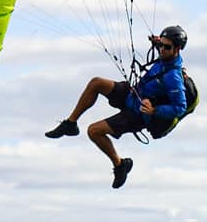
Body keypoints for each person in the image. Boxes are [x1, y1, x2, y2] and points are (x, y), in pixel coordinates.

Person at [45, 26, 189, 188]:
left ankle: (120, 165)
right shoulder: (166, 56)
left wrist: (154, 110)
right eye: (160, 45)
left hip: (138, 114)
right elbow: (163, 47)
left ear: (177, 49)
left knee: (93, 131)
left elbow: (180, 107)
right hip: (133, 94)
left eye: (166, 47)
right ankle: (70, 124)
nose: (161, 49)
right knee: (96, 83)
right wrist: (158, 42)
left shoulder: (173, 77)